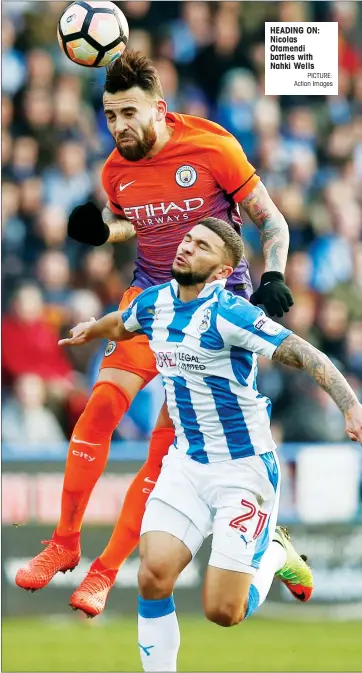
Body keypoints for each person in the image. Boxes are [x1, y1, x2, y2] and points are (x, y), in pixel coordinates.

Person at [15, 50, 294, 616]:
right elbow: (136, 222)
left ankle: (103, 572)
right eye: (110, 116)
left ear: (160, 109)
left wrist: (275, 275)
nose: (118, 127)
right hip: (148, 300)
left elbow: (271, 219)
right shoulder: (114, 169)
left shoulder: (213, 146)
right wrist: (103, 230)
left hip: (215, 315)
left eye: (128, 114)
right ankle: (63, 544)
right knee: (98, 408)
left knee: (167, 449)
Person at [58, 218, 362, 671]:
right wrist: (92, 328)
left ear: (222, 272)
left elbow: (306, 354)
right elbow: (124, 324)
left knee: (224, 612)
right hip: (186, 463)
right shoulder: (155, 302)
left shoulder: (231, 314)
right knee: (152, 575)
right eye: (186, 240)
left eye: (201, 247)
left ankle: (276, 551)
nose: (185, 249)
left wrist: (351, 407)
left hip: (243, 471)